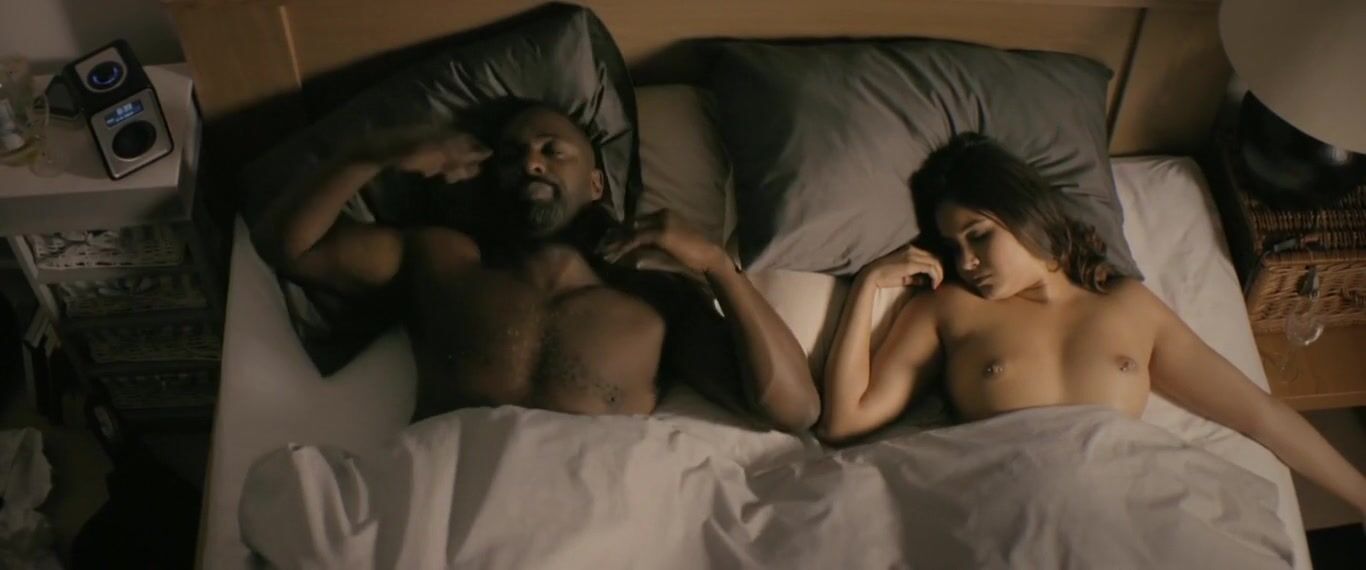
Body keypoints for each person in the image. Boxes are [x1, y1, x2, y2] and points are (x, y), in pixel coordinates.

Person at [818, 132, 1366, 516]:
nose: (966, 262)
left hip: (1122, 511)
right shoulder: (950, 308)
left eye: (979, 235)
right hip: (1009, 510)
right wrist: (868, 286)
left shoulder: (1128, 305)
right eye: (953, 246)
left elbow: (1261, 415)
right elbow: (844, 423)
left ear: (1025, 212)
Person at [251, 102, 818, 431]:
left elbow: (795, 410)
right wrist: (371, 155)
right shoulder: (440, 259)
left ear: (596, 184)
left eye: (552, 150)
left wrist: (716, 265)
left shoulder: (655, 298)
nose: (531, 163)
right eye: (511, 156)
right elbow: (289, 246)